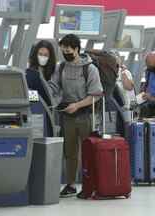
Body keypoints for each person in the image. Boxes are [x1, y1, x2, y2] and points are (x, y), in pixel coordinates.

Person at [51, 34, 103, 198]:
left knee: (88, 151)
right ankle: (71, 184)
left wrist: (78, 105)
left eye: (68, 49)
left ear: (76, 49)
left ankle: (90, 184)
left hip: (85, 115)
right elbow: (54, 87)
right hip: (68, 116)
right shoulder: (61, 68)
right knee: (70, 152)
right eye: (63, 50)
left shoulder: (89, 68)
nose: (65, 52)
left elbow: (96, 94)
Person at [26, 40, 57, 106]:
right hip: (39, 110)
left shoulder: (55, 71)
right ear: (35, 55)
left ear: (50, 57)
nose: (43, 57)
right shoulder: (31, 74)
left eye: (46, 55)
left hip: (53, 109)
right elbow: (33, 99)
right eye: (40, 54)